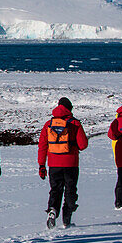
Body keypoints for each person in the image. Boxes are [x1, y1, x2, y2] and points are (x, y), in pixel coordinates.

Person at [38, 97, 88, 228]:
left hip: (54, 164)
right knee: (70, 190)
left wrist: (41, 165)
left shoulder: (48, 124)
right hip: (71, 163)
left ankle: (52, 210)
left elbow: (42, 146)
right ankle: (67, 219)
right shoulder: (75, 123)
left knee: (55, 189)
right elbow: (83, 145)